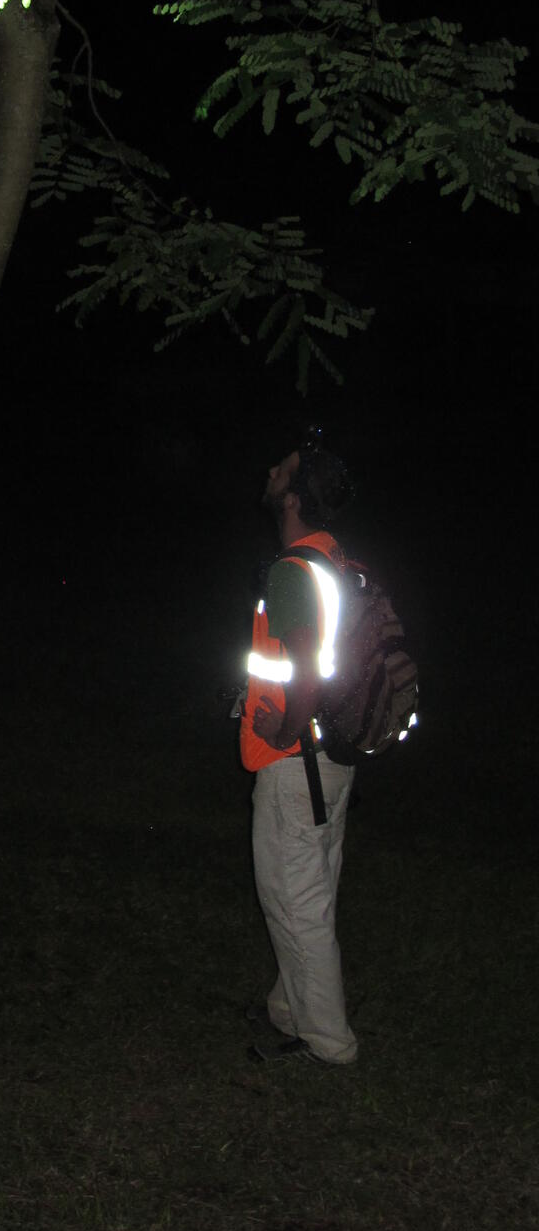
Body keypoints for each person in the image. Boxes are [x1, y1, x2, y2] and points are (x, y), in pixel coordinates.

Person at [241, 435, 359, 1065]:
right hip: (334, 758)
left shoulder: (293, 571)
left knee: (292, 898)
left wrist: (285, 732)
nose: (269, 470)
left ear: (293, 494)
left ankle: (327, 1042)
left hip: (297, 761)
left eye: (280, 468)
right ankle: (289, 1007)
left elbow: (307, 667)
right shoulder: (336, 560)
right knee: (312, 889)